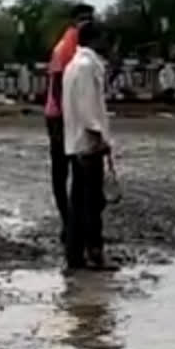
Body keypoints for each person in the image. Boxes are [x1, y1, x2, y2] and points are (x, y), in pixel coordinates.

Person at [62, 21, 115, 271]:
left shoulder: (73, 65)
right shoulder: (86, 67)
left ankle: (75, 255)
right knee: (93, 203)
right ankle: (95, 252)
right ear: (96, 39)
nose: (107, 43)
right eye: (105, 38)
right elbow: (87, 108)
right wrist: (99, 137)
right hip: (87, 144)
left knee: (79, 202)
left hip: (76, 142)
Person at [45, 3, 95, 245]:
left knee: (78, 172)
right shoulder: (66, 47)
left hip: (70, 116)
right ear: (74, 20)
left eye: (90, 17)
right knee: (62, 171)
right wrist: (67, 116)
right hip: (59, 116)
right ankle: (68, 221)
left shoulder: (84, 46)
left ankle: (75, 223)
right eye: (83, 18)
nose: (87, 21)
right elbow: (55, 84)